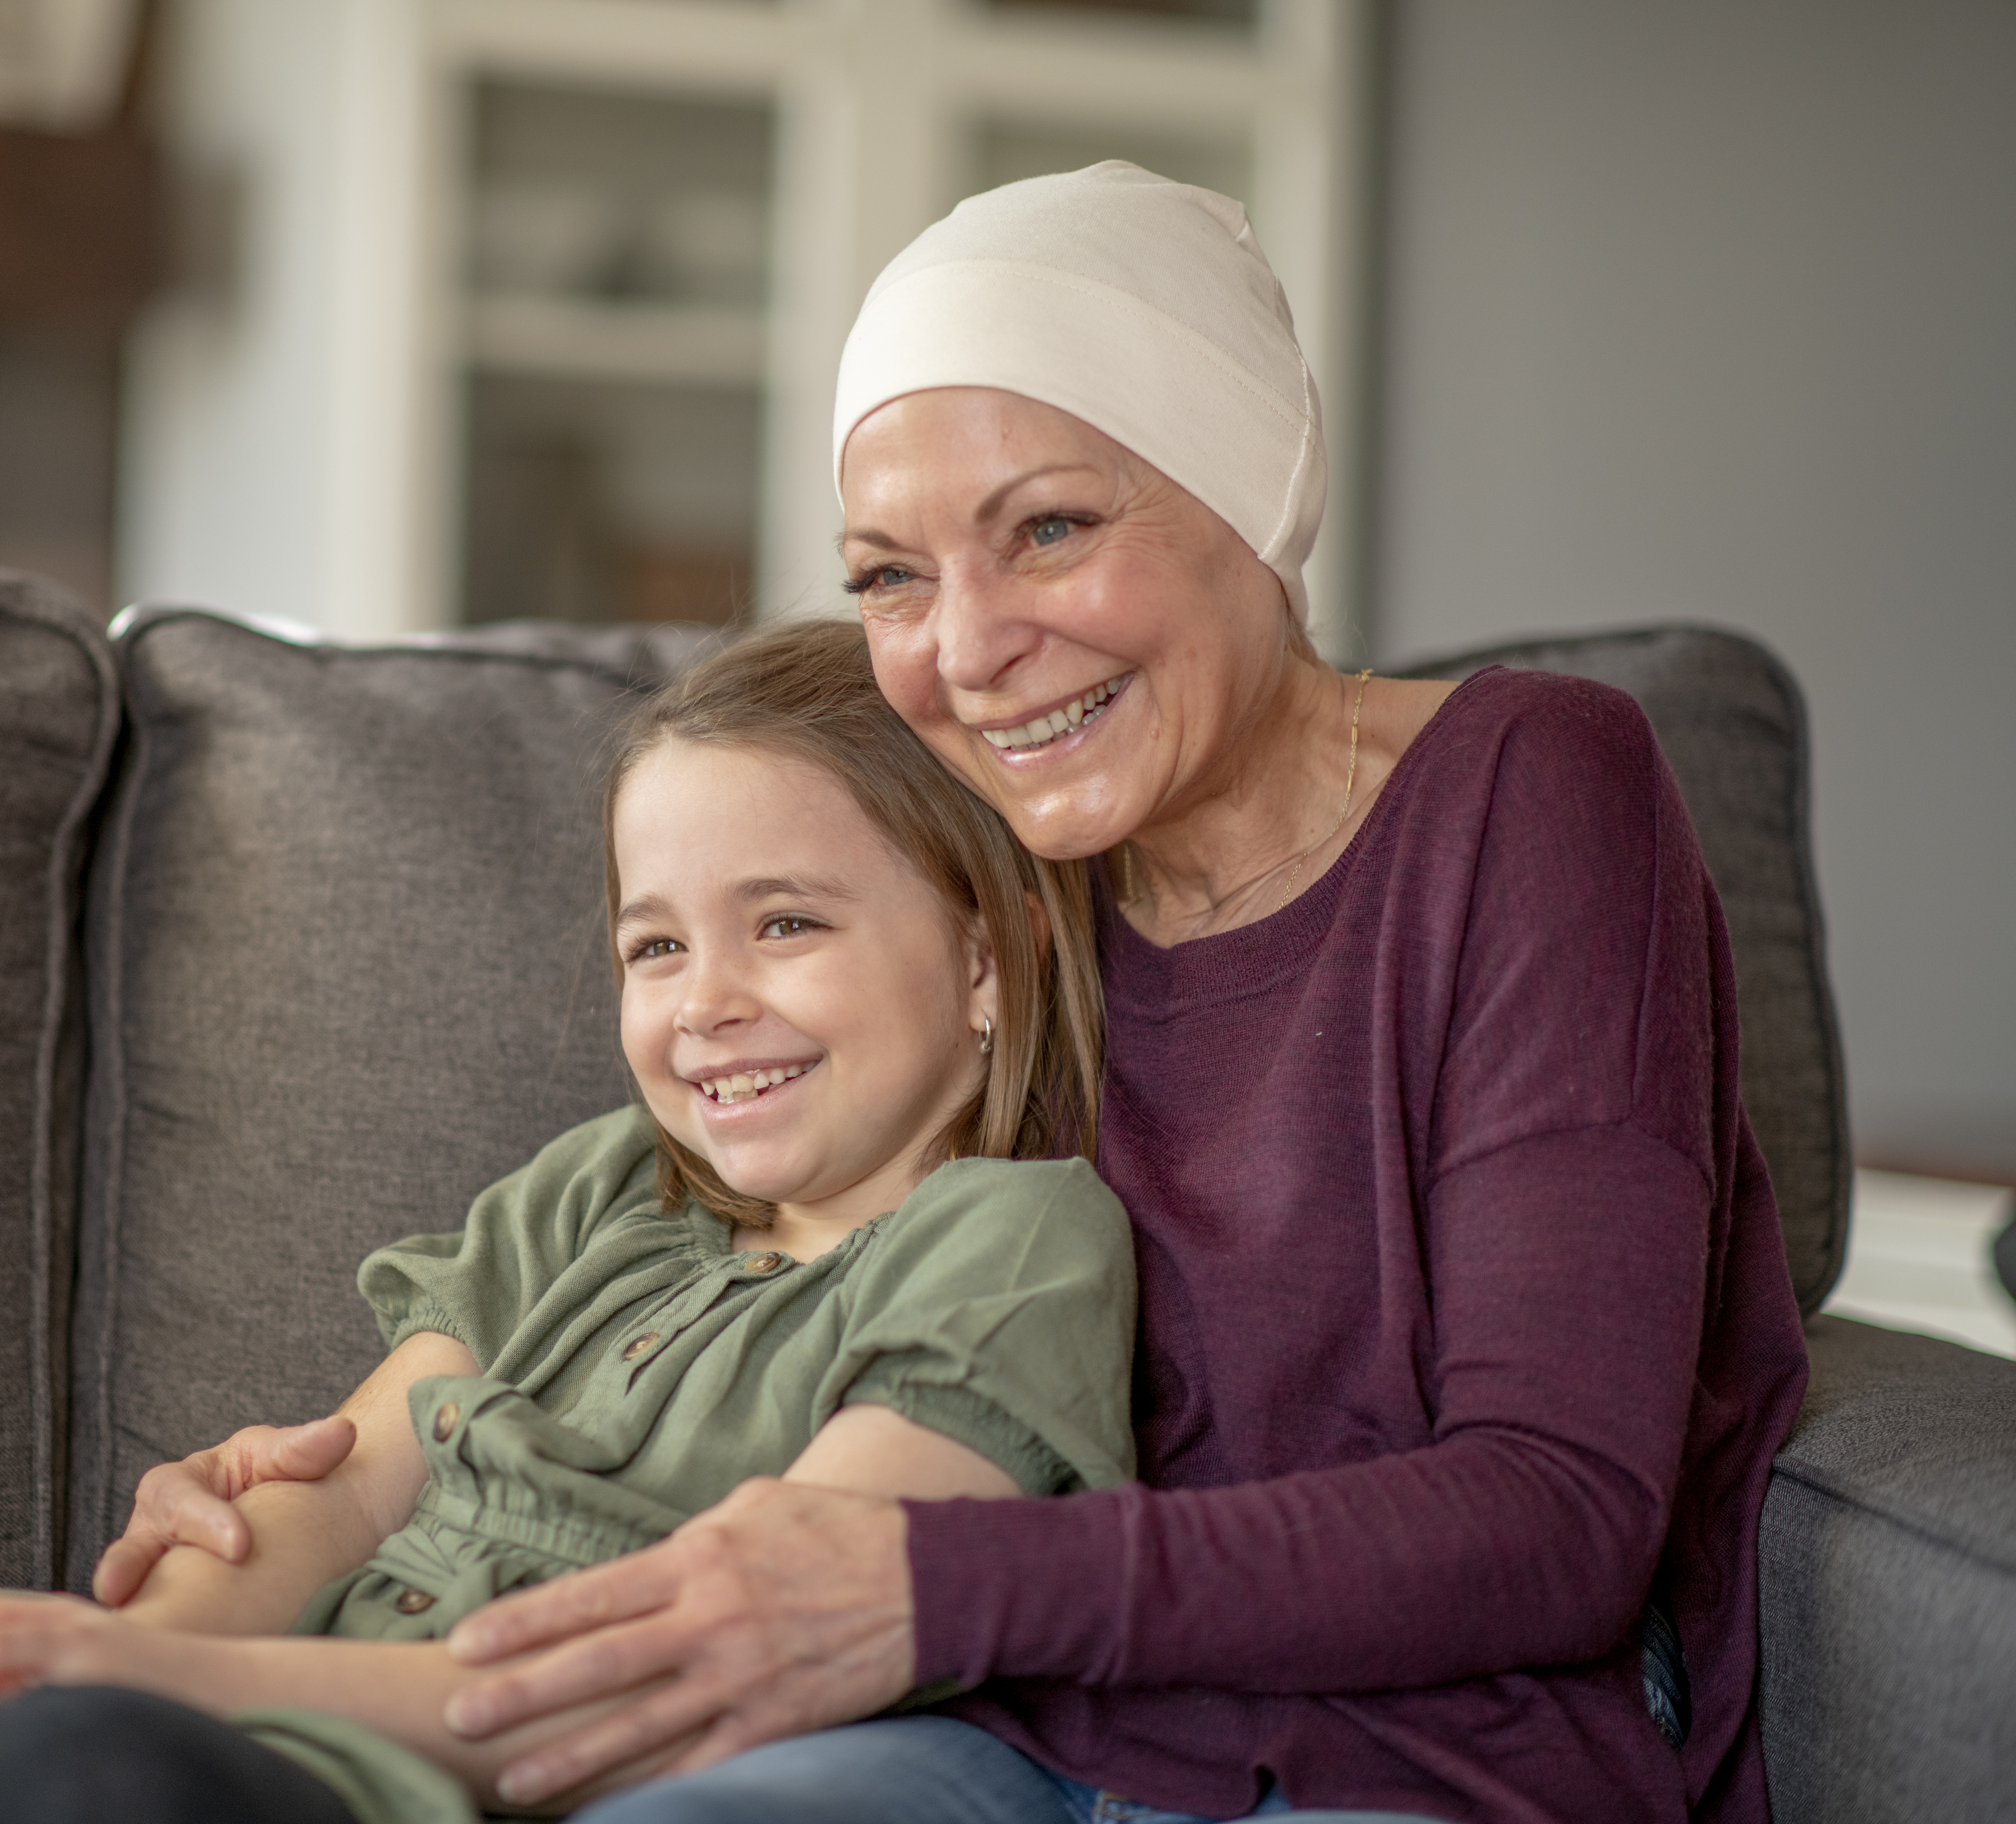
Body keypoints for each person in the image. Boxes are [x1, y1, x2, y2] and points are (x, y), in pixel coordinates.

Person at [128, 165, 1813, 1824]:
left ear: (1250, 496)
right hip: (990, 1728)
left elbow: (1560, 1515)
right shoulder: (975, 862)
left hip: (1413, 1743)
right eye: (889, 575)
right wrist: (335, 1486)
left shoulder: (1531, 790)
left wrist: (928, 1582)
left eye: (1052, 529)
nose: (968, 648)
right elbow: (715, 1250)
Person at [0, 620, 1138, 1824]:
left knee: (74, 1763)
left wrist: (163, 1678)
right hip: (205, 1687)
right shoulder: (604, 1195)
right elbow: (340, 1484)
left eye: (787, 925)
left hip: (374, 1779)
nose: (701, 1002)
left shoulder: (1014, 1248)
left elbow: (701, 1668)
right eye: (656, 942)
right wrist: (137, 1616)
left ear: (988, 959)